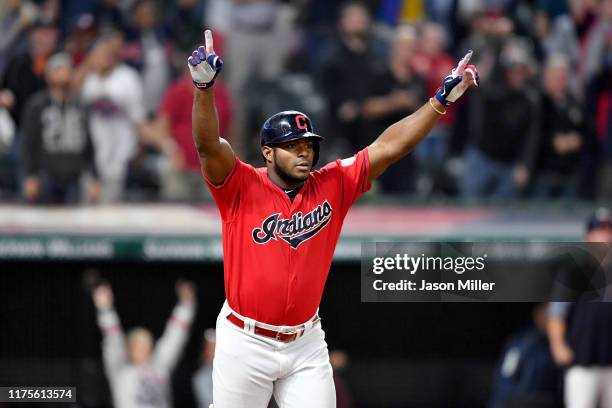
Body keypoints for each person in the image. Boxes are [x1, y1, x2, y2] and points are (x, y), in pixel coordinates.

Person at [188, 29, 478, 407]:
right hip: (245, 341)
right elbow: (208, 145)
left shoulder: (332, 184)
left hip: (305, 342)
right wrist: (204, 89)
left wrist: (439, 102)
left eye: (308, 145)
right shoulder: (239, 184)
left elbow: (389, 146)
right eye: (292, 146)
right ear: (268, 153)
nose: (304, 153)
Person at [92, 280, 196, 408]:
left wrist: (186, 305)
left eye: (146, 344)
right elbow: (113, 340)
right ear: (129, 348)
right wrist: (105, 309)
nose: (143, 348)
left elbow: (174, 339)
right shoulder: (121, 370)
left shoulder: (159, 367)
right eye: (138, 344)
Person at [547, 208, 612, 408]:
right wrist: (558, 345)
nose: (604, 235)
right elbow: (557, 313)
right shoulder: (574, 270)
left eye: (608, 230)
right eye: (598, 230)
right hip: (582, 360)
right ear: (588, 236)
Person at [21, 52, 100, 204]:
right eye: (58, 69)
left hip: (74, 174)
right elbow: (28, 142)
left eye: (66, 69)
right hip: (46, 173)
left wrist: (94, 176)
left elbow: (89, 143)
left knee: (74, 221)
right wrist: (30, 175)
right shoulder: (37, 105)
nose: (63, 73)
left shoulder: (80, 105)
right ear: (48, 74)